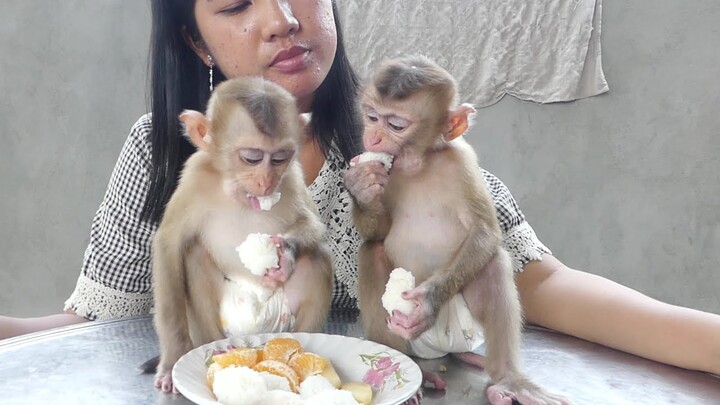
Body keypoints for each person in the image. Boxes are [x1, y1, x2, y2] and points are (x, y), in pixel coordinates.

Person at [1, 0, 718, 378]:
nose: (283, 18)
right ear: (195, 42)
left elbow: (542, 283)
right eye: (237, 4)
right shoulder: (159, 153)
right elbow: (101, 329)